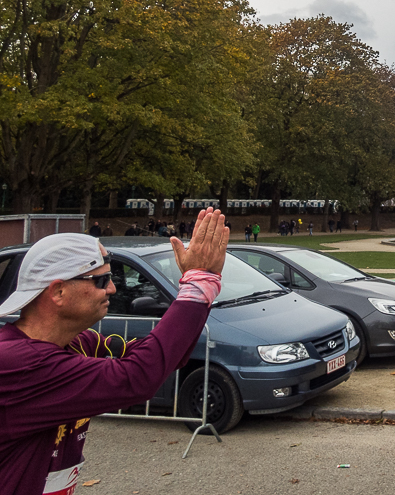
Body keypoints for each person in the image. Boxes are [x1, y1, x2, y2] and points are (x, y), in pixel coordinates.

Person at [0, 207, 228, 495]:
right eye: (100, 280)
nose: (111, 289)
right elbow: (137, 376)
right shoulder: (17, 363)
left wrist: (203, 284)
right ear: (57, 292)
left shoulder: (76, 343)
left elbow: (164, 359)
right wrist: (197, 286)